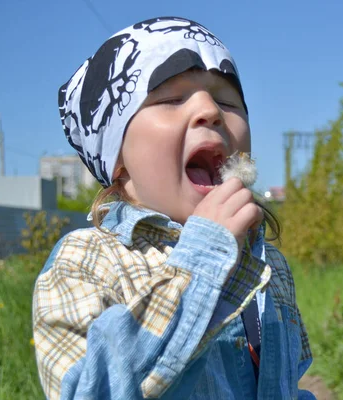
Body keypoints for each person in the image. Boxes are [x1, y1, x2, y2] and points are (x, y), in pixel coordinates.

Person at [32, 16, 315, 400]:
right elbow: (89, 391)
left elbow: (285, 386)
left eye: (228, 100)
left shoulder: (268, 266)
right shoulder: (86, 262)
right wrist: (203, 263)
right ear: (119, 160)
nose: (209, 111)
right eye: (170, 99)